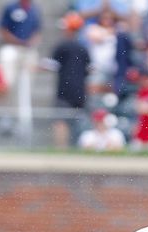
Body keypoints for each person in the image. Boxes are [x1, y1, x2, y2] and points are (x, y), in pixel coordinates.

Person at [45, 12, 91, 149]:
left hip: (64, 90)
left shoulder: (62, 46)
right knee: (77, 121)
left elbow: (51, 65)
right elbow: (90, 68)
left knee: (61, 121)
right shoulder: (83, 48)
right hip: (80, 91)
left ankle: (61, 149)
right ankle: (76, 148)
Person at [0, 0, 41, 111]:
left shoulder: (34, 9)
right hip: (11, 47)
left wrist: (30, 42)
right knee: (7, 81)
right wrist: (17, 41)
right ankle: (6, 110)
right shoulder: (11, 7)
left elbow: (38, 31)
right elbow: (3, 29)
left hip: (28, 49)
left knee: (27, 84)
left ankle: (24, 113)